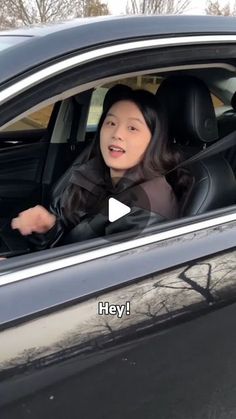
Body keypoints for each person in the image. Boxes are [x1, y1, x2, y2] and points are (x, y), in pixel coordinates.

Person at [11, 84, 182, 250]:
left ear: (154, 140)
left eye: (132, 128)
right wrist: (47, 228)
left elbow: (97, 272)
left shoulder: (147, 210)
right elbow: (66, 236)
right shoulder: (93, 172)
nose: (117, 134)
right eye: (111, 123)